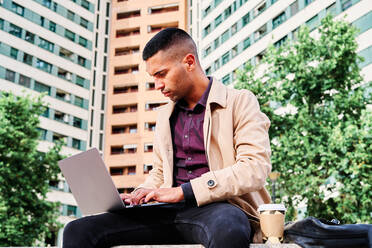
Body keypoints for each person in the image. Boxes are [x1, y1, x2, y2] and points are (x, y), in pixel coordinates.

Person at [63, 28, 271, 248]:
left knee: (229, 229)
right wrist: (140, 194)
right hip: (167, 213)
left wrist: (183, 192)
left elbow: (254, 168)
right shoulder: (164, 115)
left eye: (162, 74)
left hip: (219, 209)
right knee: (78, 230)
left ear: (189, 62)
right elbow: (160, 173)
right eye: (154, 78)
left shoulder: (239, 101)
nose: (158, 85)